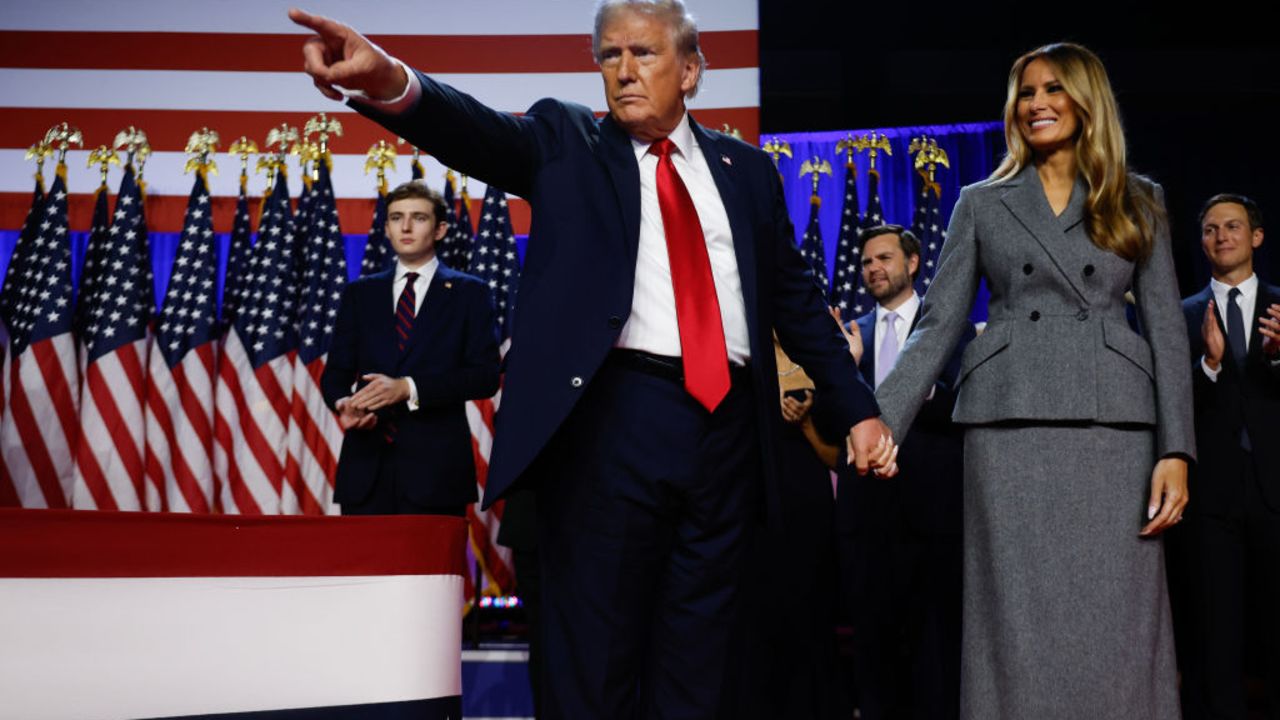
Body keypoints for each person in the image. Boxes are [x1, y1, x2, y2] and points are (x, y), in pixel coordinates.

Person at [290, 2, 897, 717]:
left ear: (693, 70)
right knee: (594, 663)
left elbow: (796, 304)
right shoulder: (566, 141)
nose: (624, 70)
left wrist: (857, 409)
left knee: (702, 662)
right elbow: (471, 128)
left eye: (644, 52)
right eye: (609, 55)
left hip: (730, 434)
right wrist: (390, 78)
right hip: (612, 423)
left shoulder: (748, 173)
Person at [874, 42, 1194, 719]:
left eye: (1053, 89)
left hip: (1115, 433)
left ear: (1086, 101)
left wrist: (1177, 451)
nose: (1037, 104)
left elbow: (1167, 333)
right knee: (1011, 616)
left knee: (1116, 613)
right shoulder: (981, 202)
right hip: (1009, 427)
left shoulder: (1140, 199)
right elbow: (938, 324)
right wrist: (883, 418)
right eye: (1026, 92)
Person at [837, 225, 973, 720]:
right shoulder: (849, 337)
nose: (873, 268)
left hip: (934, 512)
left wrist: (918, 389)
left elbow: (965, 404)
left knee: (935, 642)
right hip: (869, 517)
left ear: (912, 264)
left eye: (884, 258)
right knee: (875, 643)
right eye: (867, 261)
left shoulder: (950, 327)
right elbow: (841, 426)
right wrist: (848, 372)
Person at [320, 181, 500, 516]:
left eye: (418, 217)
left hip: (437, 474)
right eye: (396, 217)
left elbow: (485, 377)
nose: (405, 226)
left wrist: (409, 388)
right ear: (386, 227)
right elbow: (336, 374)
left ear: (440, 229)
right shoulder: (360, 294)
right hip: (365, 471)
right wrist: (343, 403)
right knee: (363, 567)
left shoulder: (469, 293)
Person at [1179, 193, 1280, 719]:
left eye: (1233, 226)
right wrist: (1211, 365)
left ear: (1256, 237)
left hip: (1274, 490)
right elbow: (1174, 404)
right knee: (1218, 632)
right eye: (1211, 229)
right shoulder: (1182, 314)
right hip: (1212, 497)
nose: (1222, 236)